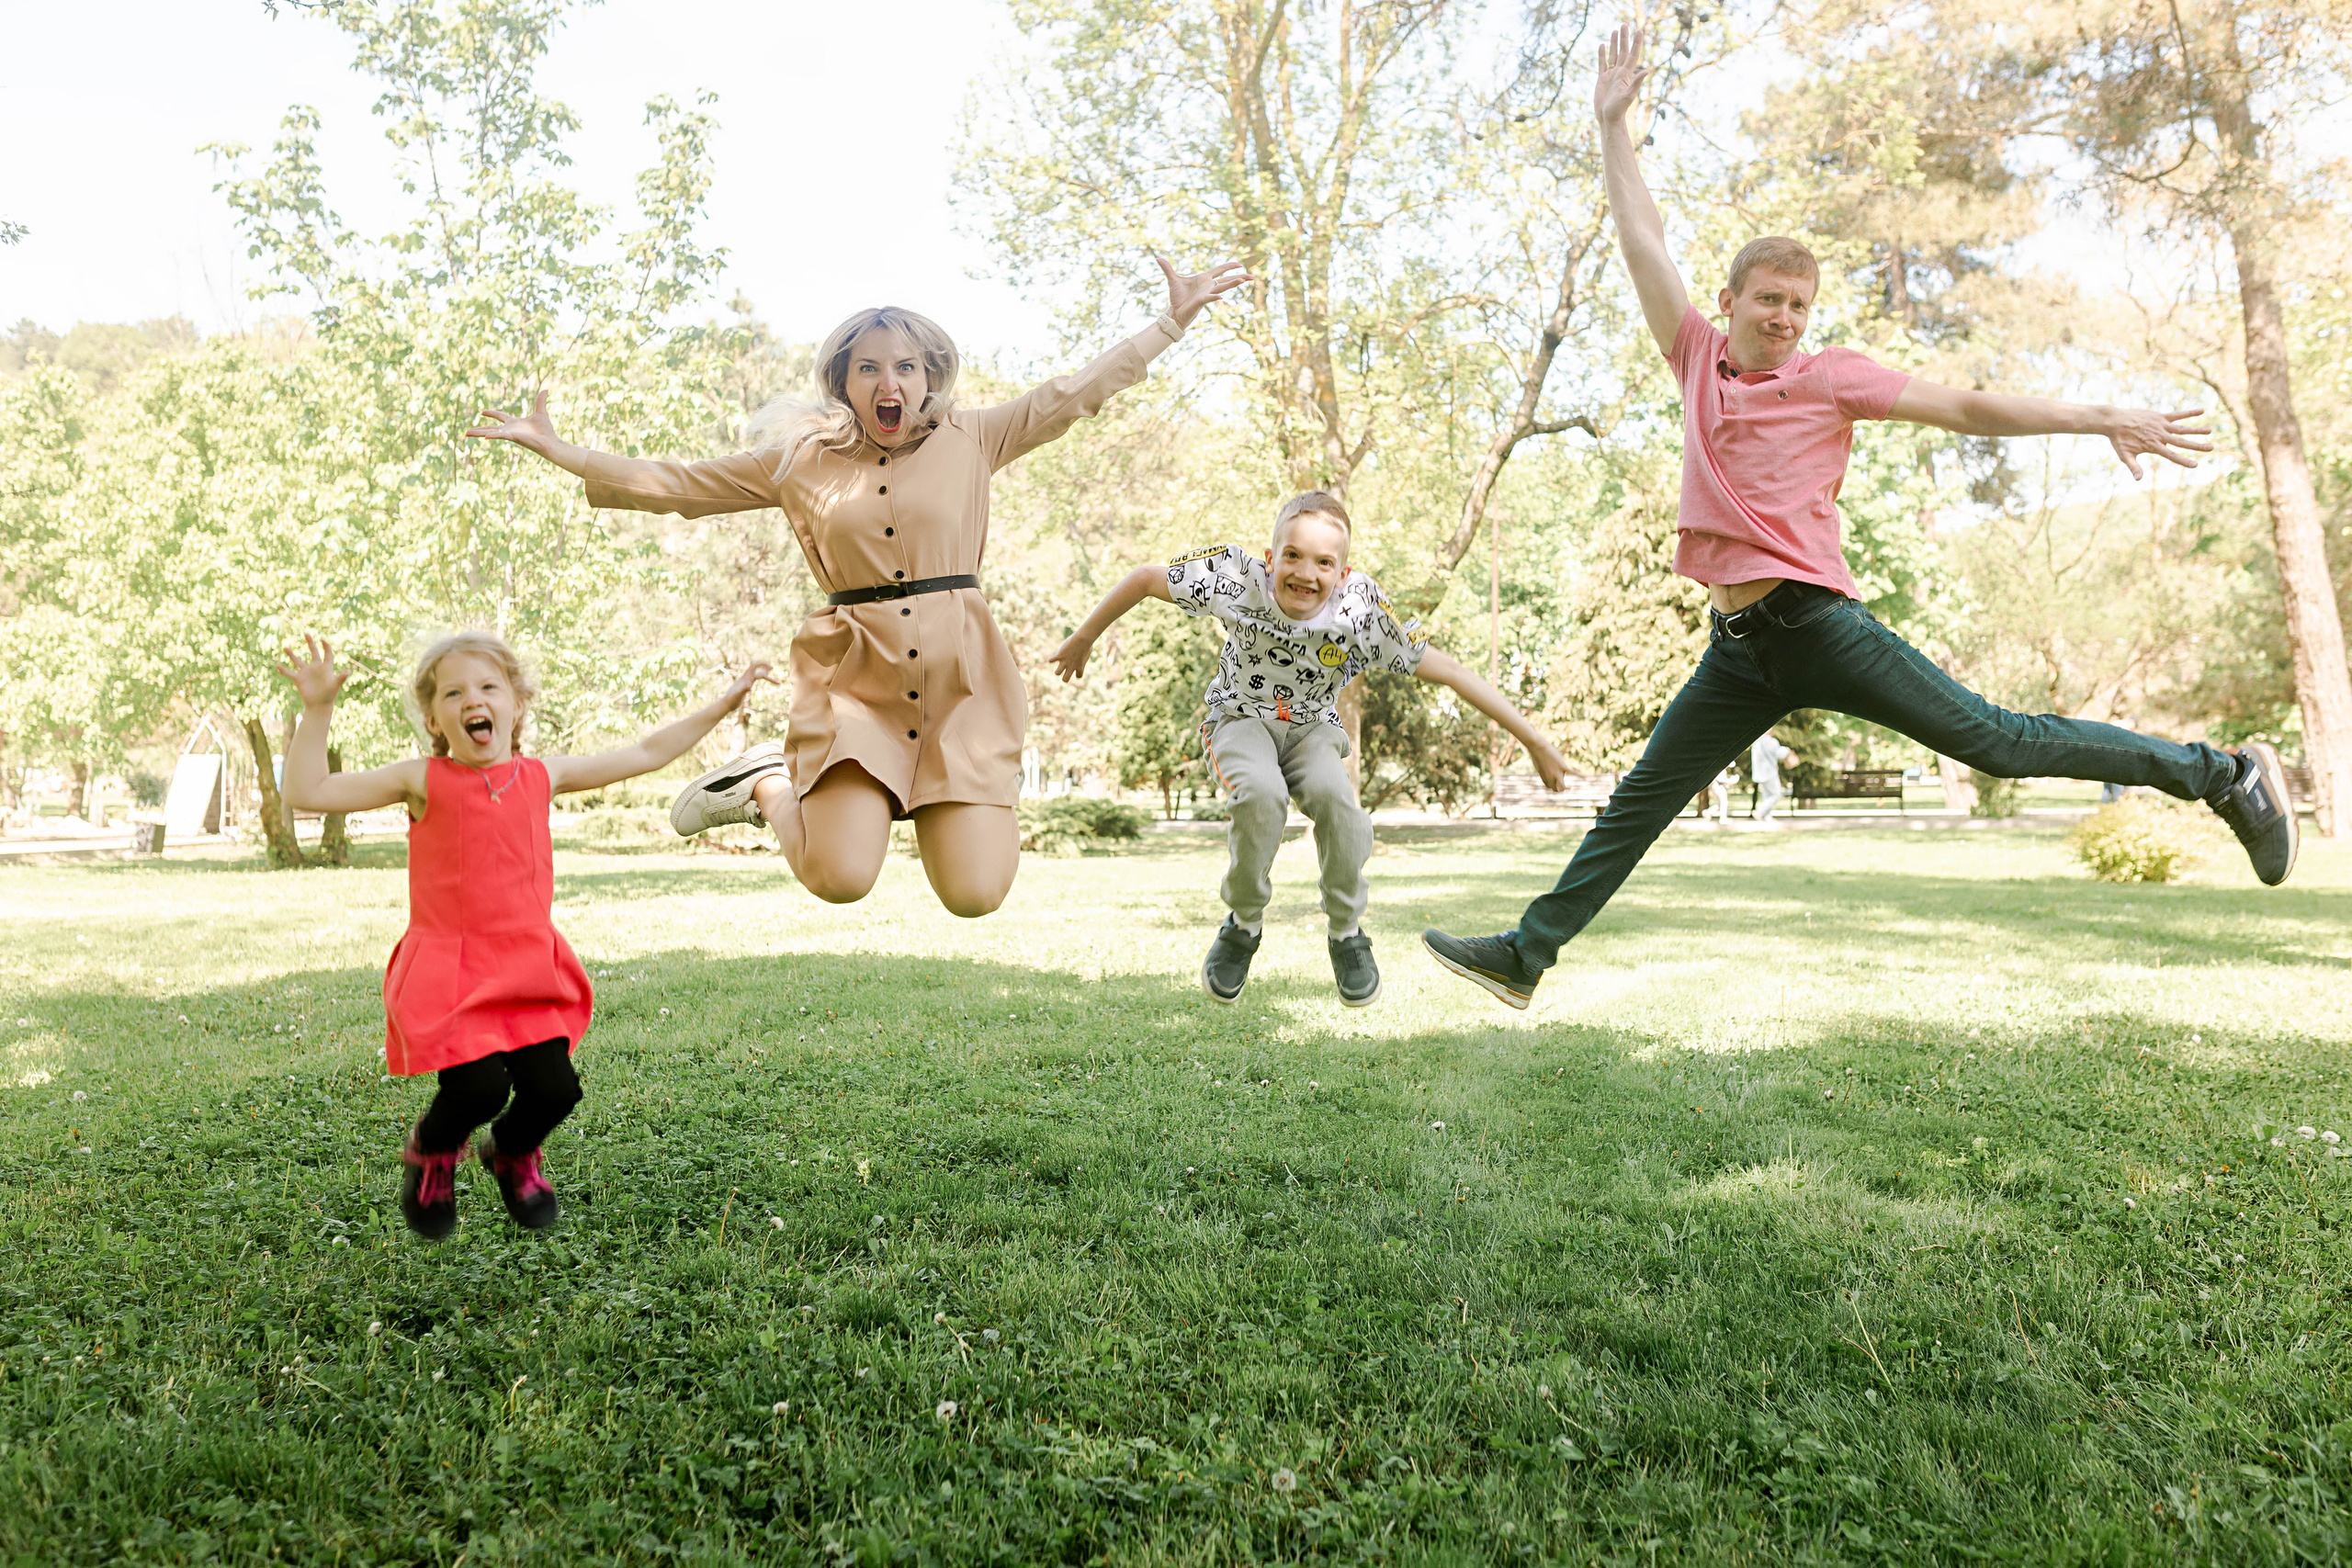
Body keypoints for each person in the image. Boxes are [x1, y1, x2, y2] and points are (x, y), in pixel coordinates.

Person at [1419, 23, 2299, 1010]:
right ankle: (1525, 957)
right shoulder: (1694, 360)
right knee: (1639, 801)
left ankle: (2221, 775)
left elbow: (1966, 408)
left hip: (1814, 623)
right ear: (1731, 300)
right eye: (1767, 301)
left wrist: (2099, 416)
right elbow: (1641, 239)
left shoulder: (1829, 379)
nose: (1783, 318)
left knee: (1997, 739)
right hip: (1738, 647)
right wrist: (1610, 125)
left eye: (1799, 304)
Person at [464, 260, 1249, 919]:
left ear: (928, 376)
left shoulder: (974, 436)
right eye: (869, 367)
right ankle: (766, 781)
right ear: (843, 381)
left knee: (976, 894)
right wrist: (561, 451)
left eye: (905, 366)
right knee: (841, 879)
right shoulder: (800, 461)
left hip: (959, 683)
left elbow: (1075, 393)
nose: (889, 381)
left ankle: (849, 788)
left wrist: (1169, 323)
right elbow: (678, 483)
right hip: (857, 684)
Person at [277, 633, 775, 1238]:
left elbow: (646, 750)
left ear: (516, 704)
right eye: (453, 692)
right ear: (435, 718)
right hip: (451, 968)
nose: (472, 700)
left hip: (526, 965)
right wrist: (318, 709)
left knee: (556, 1089)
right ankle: (431, 1152)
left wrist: (723, 706)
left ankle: (510, 1152)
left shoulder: (544, 775)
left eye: (489, 687)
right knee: (480, 1087)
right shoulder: (423, 779)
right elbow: (310, 792)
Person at [1052, 491, 1570, 1006]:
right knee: (1259, 795)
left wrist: (1535, 742)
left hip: (1312, 730)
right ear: (1270, 558)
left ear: (1342, 574)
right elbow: (1146, 578)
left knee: (1340, 805)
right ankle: (1243, 924)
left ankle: (1347, 933)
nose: (1306, 573)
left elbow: (1452, 672)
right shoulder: (1235, 581)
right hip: (1239, 719)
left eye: (1324, 562)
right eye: (1293, 556)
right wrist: (1085, 636)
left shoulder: (1360, 614)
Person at [1751, 730, 1791, 823]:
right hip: (1769, 772)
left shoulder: (1757, 743)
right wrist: (1786, 750)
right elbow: (1780, 754)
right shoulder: (1771, 742)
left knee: (1767, 795)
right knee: (1776, 794)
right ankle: (1759, 811)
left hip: (1759, 773)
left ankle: (1767, 816)